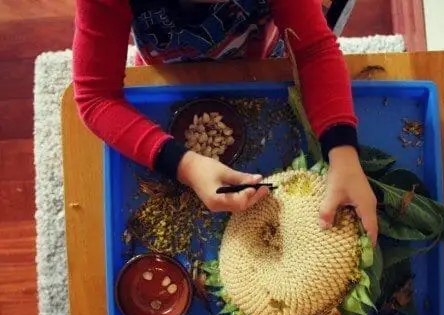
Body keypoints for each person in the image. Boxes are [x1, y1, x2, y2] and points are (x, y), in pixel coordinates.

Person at [72, 0, 378, 238]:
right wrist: (184, 164)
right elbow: (95, 97)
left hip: (262, 62)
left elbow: (314, 50)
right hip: (166, 73)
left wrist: (343, 153)